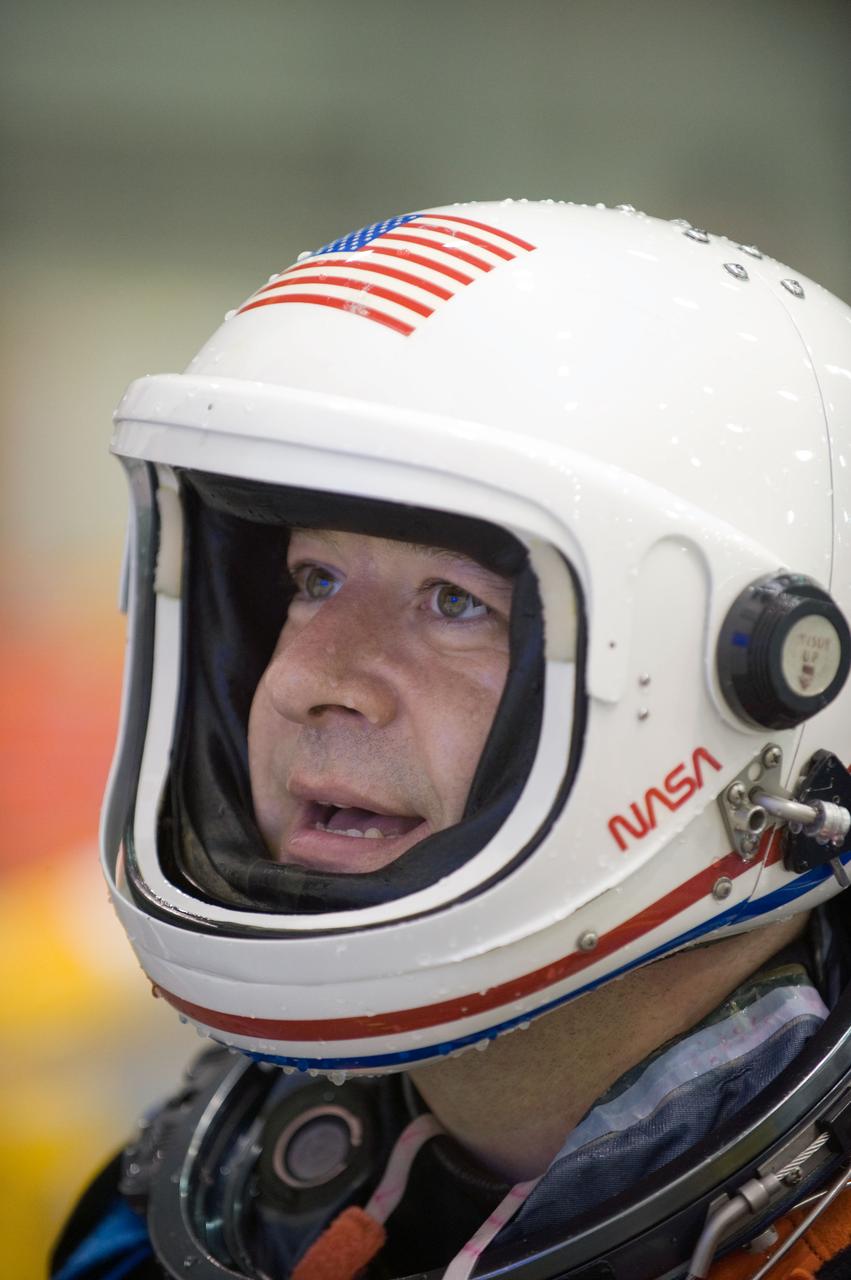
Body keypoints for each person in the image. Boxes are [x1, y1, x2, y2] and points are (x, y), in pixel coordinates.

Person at [51, 202, 851, 1280]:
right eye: (311, 580)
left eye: (454, 602)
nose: (309, 683)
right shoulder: (165, 1219)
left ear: (769, 689)